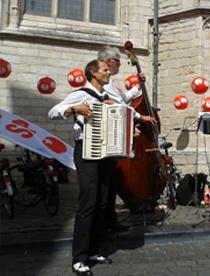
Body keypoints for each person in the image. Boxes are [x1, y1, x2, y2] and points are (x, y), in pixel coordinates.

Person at [48, 60, 134, 276]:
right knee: (88, 203)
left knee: (103, 203)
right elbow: (53, 112)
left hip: (105, 154)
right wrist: (74, 108)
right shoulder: (81, 93)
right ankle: (79, 258)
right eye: (105, 70)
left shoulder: (107, 98)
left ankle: (94, 250)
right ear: (93, 73)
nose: (109, 73)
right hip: (86, 154)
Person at [97, 46, 156, 232]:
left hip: (115, 135)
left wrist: (138, 88)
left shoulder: (110, 82)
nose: (119, 65)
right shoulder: (104, 83)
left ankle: (110, 221)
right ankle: (104, 223)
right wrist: (141, 117)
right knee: (106, 185)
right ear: (109, 62)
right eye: (118, 61)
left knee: (110, 184)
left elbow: (122, 98)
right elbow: (119, 106)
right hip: (108, 137)